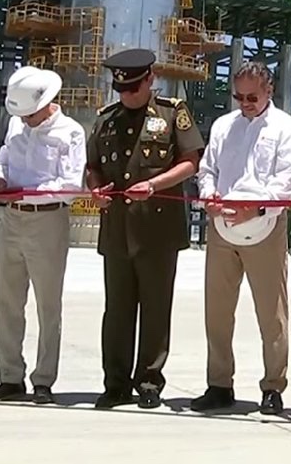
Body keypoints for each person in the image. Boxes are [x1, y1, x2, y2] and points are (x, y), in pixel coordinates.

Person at [84, 48, 205, 410]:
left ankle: (149, 381)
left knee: (155, 308)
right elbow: (93, 166)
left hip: (157, 229)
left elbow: (190, 163)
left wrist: (155, 185)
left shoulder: (172, 114)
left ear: (150, 79)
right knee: (117, 310)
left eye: (134, 87)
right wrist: (95, 189)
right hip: (117, 227)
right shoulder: (106, 119)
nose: (127, 94)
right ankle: (115, 382)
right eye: (121, 89)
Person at [192, 62, 291, 415]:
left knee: (271, 314)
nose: (245, 103)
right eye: (238, 97)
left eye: (252, 97)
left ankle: (273, 386)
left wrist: (253, 210)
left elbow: (286, 179)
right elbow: (207, 168)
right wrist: (209, 196)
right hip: (222, 229)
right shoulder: (224, 125)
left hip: (265, 227)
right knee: (218, 312)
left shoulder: (287, 127)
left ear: (269, 90)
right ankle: (219, 384)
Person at [0, 67, 85, 405]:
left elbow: (69, 188)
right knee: (6, 302)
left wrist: (25, 193)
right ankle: (10, 376)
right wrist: (0, 179)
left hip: (47, 223)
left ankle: (43, 379)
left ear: (47, 103)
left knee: (47, 304)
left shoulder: (70, 133)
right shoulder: (16, 123)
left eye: (29, 114)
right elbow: (4, 159)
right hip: (11, 220)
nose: (24, 120)